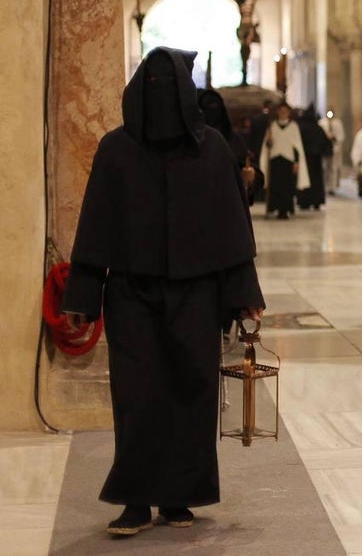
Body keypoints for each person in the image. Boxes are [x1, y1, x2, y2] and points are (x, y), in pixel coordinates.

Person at [60, 47, 265, 537]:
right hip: (132, 294)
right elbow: (95, 228)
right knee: (137, 396)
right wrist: (82, 299)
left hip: (197, 296)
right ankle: (134, 499)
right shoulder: (116, 150)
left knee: (192, 392)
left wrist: (244, 296)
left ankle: (178, 496)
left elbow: (232, 231)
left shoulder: (211, 149)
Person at [197, 88, 259, 199]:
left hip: (227, 200)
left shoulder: (232, 139)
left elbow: (248, 171)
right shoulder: (191, 140)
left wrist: (251, 176)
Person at [259, 102, 309, 219]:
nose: (283, 114)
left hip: (288, 161)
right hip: (275, 160)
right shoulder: (272, 126)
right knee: (276, 186)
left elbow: (297, 147)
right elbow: (267, 145)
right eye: (281, 111)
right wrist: (269, 141)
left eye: (285, 112)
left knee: (287, 187)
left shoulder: (293, 127)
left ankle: (285, 209)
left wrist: (296, 163)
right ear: (278, 113)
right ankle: (275, 208)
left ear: (288, 113)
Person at [295, 105, 330, 210]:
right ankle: (316, 201)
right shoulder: (318, 128)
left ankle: (304, 201)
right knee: (316, 181)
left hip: (304, 159)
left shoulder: (300, 128)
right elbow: (326, 143)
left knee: (304, 178)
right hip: (316, 160)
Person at [318, 109, 346, 194]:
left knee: (333, 168)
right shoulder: (321, 123)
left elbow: (341, 137)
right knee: (324, 167)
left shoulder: (338, 123)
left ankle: (332, 187)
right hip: (324, 149)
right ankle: (324, 186)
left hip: (335, 148)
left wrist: (334, 136)